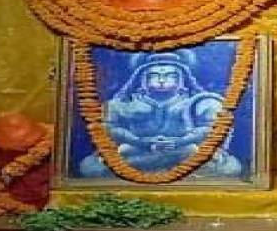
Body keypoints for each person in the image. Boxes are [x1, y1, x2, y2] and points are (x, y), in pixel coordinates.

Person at [79, 50, 242, 178]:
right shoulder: (120, 104)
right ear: (142, 80)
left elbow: (209, 129)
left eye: (169, 76)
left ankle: (157, 166)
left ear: (182, 80)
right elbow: (108, 129)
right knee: (92, 167)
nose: (162, 80)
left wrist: (180, 141)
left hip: (183, 150)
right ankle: (159, 165)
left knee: (225, 166)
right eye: (155, 76)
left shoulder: (199, 102)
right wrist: (140, 141)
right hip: (136, 150)